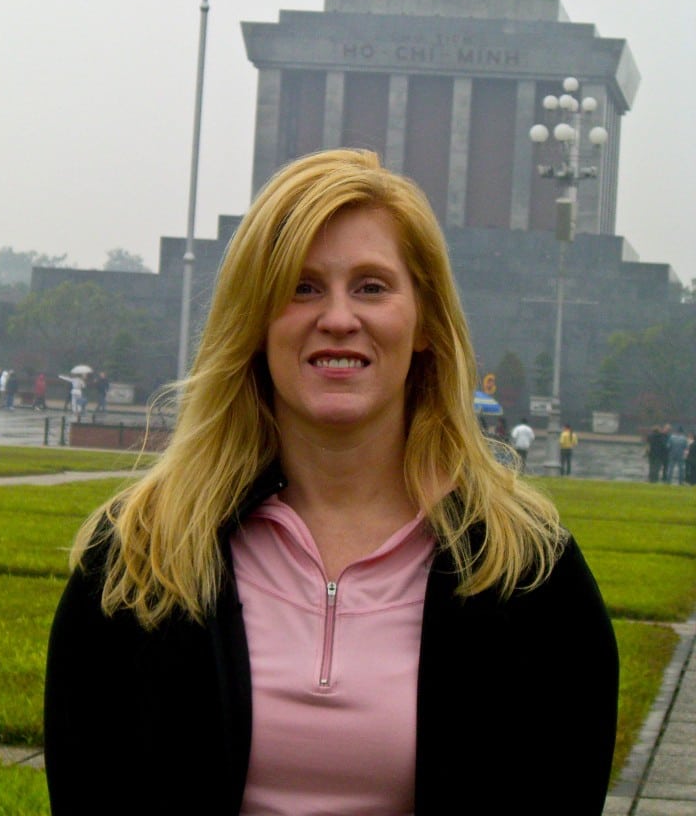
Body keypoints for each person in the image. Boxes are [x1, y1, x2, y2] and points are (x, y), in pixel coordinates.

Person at [45, 149, 618, 816]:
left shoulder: (526, 570)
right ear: (256, 323)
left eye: (372, 286)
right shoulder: (140, 556)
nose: (339, 317)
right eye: (302, 287)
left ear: (425, 321)